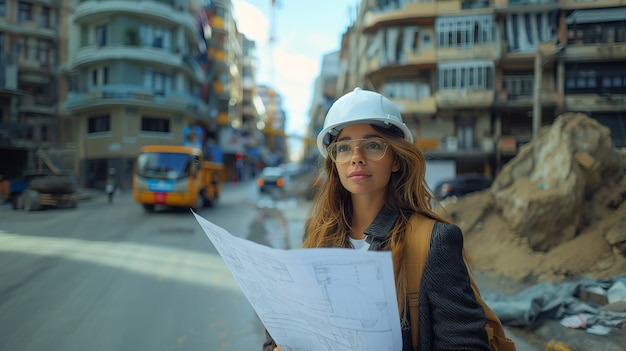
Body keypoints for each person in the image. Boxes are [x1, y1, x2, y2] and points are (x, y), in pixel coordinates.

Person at [263, 88, 490, 350]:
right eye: (344, 148)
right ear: (334, 162)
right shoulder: (317, 236)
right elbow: (279, 334)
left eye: (372, 145)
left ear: (395, 159)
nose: (357, 158)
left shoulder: (434, 242)